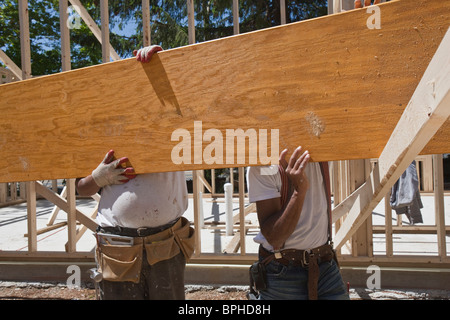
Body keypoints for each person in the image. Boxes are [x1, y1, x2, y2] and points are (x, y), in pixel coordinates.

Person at [76, 45, 194, 300]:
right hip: (118, 248)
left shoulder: (175, 124)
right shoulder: (100, 131)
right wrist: (98, 178)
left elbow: (190, 92)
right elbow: (82, 189)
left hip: (166, 243)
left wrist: (161, 68)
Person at [246, 147, 349, 300]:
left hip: (325, 264)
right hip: (283, 271)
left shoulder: (322, 151)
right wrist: (298, 191)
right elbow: (274, 238)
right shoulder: (265, 165)